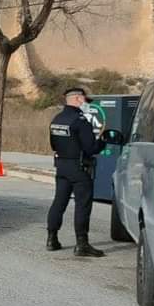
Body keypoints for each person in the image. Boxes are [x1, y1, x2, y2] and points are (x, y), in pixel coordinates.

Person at [47, 87, 107, 257]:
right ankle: (82, 244)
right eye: (85, 100)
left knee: (59, 202)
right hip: (79, 168)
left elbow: (53, 145)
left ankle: (52, 239)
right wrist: (103, 142)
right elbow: (91, 148)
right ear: (78, 99)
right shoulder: (80, 121)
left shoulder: (57, 119)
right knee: (82, 205)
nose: (86, 103)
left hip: (62, 167)